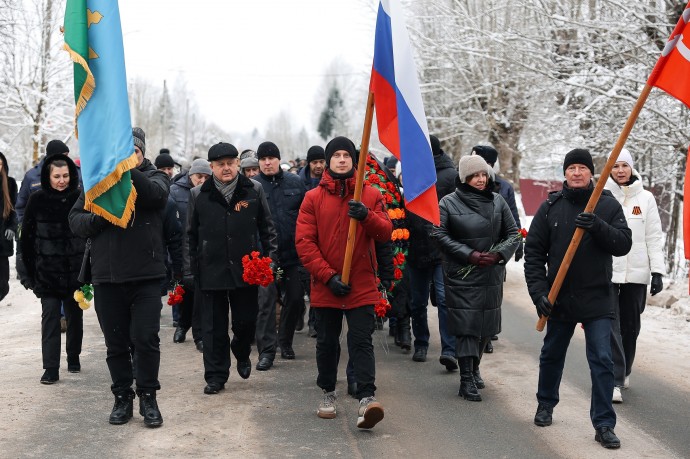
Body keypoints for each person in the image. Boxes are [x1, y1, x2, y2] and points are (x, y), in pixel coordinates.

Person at [524, 148, 632, 449]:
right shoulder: (550, 207)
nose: (576, 173)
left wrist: (596, 225)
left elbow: (623, 244)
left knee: (602, 359)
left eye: (582, 168)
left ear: (591, 173)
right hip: (559, 296)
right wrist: (539, 293)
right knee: (552, 354)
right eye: (571, 167)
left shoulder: (607, 205)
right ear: (565, 173)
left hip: (598, 297)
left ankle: (604, 424)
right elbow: (533, 253)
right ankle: (545, 403)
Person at [69, 127, 169, 427]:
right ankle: (122, 397)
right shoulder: (97, 182)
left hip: (146, 278)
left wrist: (126, 169)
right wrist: (100, 217)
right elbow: (75, 220)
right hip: (108, 277)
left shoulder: (154, 176)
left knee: (146, 339)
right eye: (125, 153)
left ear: (142, 153)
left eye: (134, 152)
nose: (130, 157)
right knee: (116, 343)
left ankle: (148, 396)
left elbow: (155, 197)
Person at [295, 136, 392, 429]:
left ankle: (366, 398)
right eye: (335, 155)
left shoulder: (370, 195)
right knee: (326, 343)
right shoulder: (313, 198)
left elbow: (386, 233)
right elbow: (304, 242)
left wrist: (366, 216)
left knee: (361, 341)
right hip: (327, 286)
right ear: (328, 161)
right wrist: (328, 276)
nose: (341, 159)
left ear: (353, 160)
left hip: (361, 284)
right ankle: (328, 392)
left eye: (346, 155)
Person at [186, 142, 277, 395]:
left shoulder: (253, 190)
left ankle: (242, 351)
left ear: (238, 163)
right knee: (213, 327)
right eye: (220, 164)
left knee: (245, 322)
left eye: (230, 163)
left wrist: (270, 261)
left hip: (246, 269)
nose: (226, 168)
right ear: (212, 167)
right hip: (210, 269)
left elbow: (267, 229)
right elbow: (190, 235)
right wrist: (189, 270)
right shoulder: (198, 195)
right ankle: (216, 375)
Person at [433, 155, 518, 401]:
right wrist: (469, 255)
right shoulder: (448, 203)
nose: (481, 180)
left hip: (490, 274)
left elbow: (513, 234)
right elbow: (438, 234)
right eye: (475, 175)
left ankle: (475, 367)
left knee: (485, 328)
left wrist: (499, 254)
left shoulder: (498, 201)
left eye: (483, 174)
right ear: (464, 178)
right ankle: (466, 378)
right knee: (467, 328)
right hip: (462, 275)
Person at [604, 148, 664, 401]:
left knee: (631, 326)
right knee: (611, 325)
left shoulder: (646, 198)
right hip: (608, 271)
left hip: (637, 273)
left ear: (631, 168)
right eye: (615, 166)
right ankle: (615, 380)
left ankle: (625, 368)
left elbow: (653, 236)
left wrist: (658, 271)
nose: (620, 171)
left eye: (624, 166)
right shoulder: (602, 195)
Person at [19, 154, 85, 384]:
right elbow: (26, 239)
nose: (61, 181)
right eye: (57, 176)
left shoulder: (80, 197)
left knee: (75, 318)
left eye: (65, 175)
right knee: (50, 320)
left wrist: (89, 272)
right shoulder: (37, 200)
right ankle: (50, 368)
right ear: (48, 176)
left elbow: (90, 238)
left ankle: (73, 356)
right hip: (46, 274)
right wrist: (27, 274)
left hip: (75, 274)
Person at [405, 135, 458, 370]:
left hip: (441, 247)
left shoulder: (449, 174)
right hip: (416, 246)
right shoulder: (411, 173)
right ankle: (421, 343)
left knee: (444, 299)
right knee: (417, 302)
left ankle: (449, 349)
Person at [253, 141, 307, 369]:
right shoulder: (252, 187)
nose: (267, 163)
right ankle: (267, 351)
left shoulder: (295, 183)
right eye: (263, 159)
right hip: (264, 257)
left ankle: (285, 341)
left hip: (292, 256)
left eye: (271, 158)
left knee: (295, 299)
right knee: (265, 304)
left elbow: (306, 216)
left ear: (278, 160)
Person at [472, 144, 523, 353]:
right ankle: (475, 332)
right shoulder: (466, 183)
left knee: (493, 294)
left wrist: (516, 245)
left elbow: (512, 217)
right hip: (472, 250)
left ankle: (488, 333)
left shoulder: (504, 187)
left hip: (496, 250)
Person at [170, 158, 212, 351]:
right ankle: (182, 325)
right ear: (190, 176)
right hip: (180, 249)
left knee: (198, 296)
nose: (202, 180)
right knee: (185, 294)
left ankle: (199, 334)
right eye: (198, 176)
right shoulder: (175, 190)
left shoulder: (211, 191)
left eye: (206, 177)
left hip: (202, 250)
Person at [297, 145, 327, 337]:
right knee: (303, 284)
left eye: (321, 162)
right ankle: (299, 313)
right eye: (315, 162)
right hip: (305, 236)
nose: (318, 166)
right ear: (309, 163)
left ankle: (315, 322)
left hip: (324, 238)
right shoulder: (299, 183)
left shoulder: (329, 180)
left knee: (318, 282)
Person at [0, 151, 18, 303]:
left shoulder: (10, 183)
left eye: (0, 164)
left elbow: (14, 210)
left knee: (3, 284)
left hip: (2, 239)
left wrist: (12, 227)